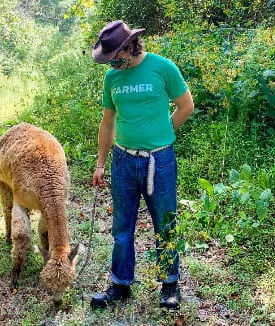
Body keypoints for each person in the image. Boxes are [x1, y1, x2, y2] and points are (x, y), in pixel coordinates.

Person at [90, 20, 194, 310]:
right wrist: (100, 163)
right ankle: (120, 285)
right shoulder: (112, 79)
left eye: (115, 57)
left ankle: (170, 283)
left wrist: (164, 133)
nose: (112, 64)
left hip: (159, 162)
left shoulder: (163, 67)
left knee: (165, 223)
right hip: (123, 161)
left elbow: (186, 106)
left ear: (129, 46)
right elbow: (107, 122)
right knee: (122, 226)